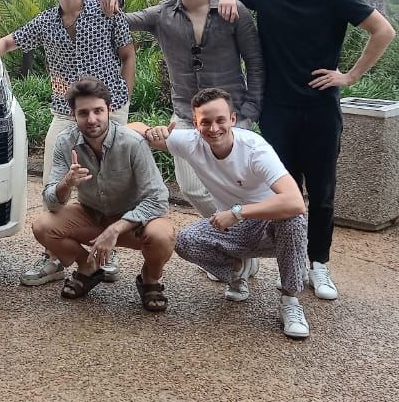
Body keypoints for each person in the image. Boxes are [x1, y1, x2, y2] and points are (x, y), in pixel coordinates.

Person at [216, 0, 396, 301]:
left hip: (320, 109)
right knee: (284, 191)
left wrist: (348, 76)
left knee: (322, 191)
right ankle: (292, 263)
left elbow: (383, 31)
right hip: (277, 110)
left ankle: (319, 264)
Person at [0, 0, 136, 286]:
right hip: (65, 111)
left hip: (110, 110)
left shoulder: (107, 11)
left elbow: (127, 54)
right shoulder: (46, 22)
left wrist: (124, 100)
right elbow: (9, 41)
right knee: (53, 179)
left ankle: (107, 249)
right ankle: (55, 254)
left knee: (109, 183)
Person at [98, 0, 264, 221]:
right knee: (192, 189)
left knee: (232, 186)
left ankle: (232, 251)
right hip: (186, 115)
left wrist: (250, 111)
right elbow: (119, 21)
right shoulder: (161, 15)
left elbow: (256, 63)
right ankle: (237, 241)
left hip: (231, 116)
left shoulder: (233, 11)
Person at [129, 88, 310, 338]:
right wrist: (150, 131)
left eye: (220, 120)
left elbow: (295, 202)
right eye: (206, 122)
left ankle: (290, 301)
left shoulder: (254, 149)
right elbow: (130, 127)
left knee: (293, 220)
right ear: (196, 123)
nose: (213, 128)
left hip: (269, 224)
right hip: (235, 227)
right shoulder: (191, 142)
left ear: (232, 119)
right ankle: (237, 270)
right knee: (185, 241)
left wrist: (237, 212)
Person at [32, 77, 176, 311]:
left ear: (109, 110)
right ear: (73, 114)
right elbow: (51, 201)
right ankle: (87, 267)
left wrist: (116, 228)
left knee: (162, 235)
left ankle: (151, 278)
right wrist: (66, 183)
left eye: (98, 111)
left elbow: (158, 199)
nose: (91, 119)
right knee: (43, 226)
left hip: (132, 221)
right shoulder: (65, 142)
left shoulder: (132, 143)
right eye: (84, 113)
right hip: (91, 214)